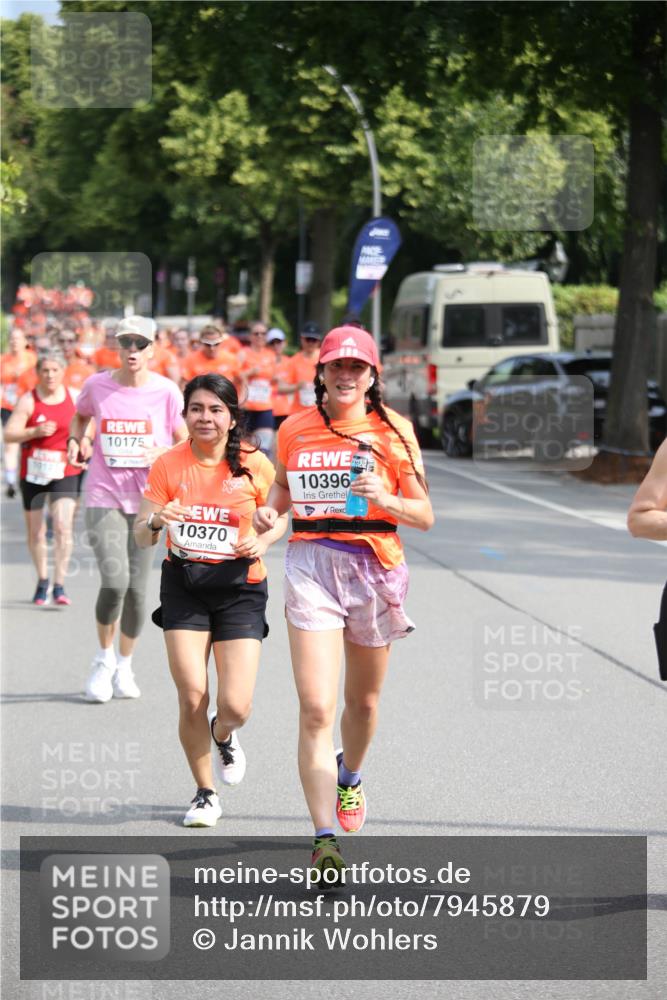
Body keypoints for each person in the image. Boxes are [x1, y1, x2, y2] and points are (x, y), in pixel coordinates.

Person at [254, 325, 434, 880]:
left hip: (374, 567)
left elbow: (424, 515)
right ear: (322, 372)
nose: (346, 375)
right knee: (315, 708)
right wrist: (270, 512)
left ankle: (349, 777)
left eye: (357, 367)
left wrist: (386, 498)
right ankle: (323, 839)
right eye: (337, 366)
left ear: (373, 374)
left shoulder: (394, 431)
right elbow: (282, 493)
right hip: (311, 563)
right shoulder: (294, 428)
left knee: (364, 704)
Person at [134, 374, 287, 827]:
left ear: (232, 417)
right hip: (184, 583)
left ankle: (224, 734)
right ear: (185, 415)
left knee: (236, 705)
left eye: (216, 409)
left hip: (241, 586)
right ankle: (205, 792)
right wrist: (159, 519)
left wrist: (264, 539)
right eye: (197, 408)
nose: (205, 417)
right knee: (191, 694)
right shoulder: (169, 464)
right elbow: (142, 536)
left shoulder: (255, 464)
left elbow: (277, 516)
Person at [67, 316, 187, 703]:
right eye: (126, 343)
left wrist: (163, 451)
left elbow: (185, 442)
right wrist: (77, 439)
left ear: (153, 348)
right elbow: (81, 416)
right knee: (115, 582)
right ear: (117, 348)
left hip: (148, 500)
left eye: (141, 343)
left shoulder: (167, 392)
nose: (133, 350)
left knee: (137, 592)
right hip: (104, 494)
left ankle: (124, 664)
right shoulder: (97, 385)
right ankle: (102, 661)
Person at [4, 349, 82, 605]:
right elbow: (9, 434)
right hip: (34, 472)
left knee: (62, 526)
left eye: (55, 370)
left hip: (64, 470)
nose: (50, 375)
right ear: (38, 373)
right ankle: (42, 580)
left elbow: (88, 426)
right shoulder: (29, 400)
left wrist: (82, 443)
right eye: (45, 371)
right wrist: (34, 431)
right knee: (37, 532)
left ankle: (59, 584)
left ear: (63, 372)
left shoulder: (74, 397)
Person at [1, 328, 37, 497]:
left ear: (25, 341)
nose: (15, 342)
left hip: (28, 407)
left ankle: (26, 477)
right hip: (8, 406)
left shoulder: (32, 359)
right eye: (12, 339)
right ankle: (10, 482)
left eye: (18, 338)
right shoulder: (3, 360)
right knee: (10, 444)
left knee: (27, 445)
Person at [239, 322, 277, 457]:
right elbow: (236, 376)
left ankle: (262, 476)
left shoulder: (271, 355)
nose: (260, 336)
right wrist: (249, 373)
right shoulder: (243, 353)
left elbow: (273, 379)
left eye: (263, 334)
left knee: (264, 448)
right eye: (256, 333)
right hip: (246, 406)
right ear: (250, 336)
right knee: (244, 449)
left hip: (265, 407)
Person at [180, 324, 241, 388]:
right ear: (201, 342)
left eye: (216, 344)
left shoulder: (231, 359)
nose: (212, 348)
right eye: (208, 344)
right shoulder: (191, 359)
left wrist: (239, 397)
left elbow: (241, 381)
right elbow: (183, 384)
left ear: (222, 341)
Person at [283, 321, 321, 415]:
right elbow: (282, 388)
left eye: (314, 340)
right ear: (302, 339)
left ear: (319, 341)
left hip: (320, 412)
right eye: (308, 339)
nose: (311, 343)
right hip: (299, 412)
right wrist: (297, 386)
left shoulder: (324, 359)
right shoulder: (294, 361)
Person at [267, 328, 293, 431]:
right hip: (265, 409)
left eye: (279, 342)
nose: (276, 346)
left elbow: (294, 386)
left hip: (284, 410)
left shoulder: (290, 362)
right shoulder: (263, 363)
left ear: (284, 343)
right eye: (272, 343)